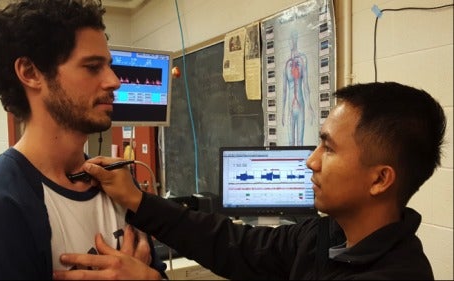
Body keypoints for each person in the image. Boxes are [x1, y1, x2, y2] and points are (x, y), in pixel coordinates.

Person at [53, 81, 446, 280]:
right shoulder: (326, 237)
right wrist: (138, 200)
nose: (311, 162)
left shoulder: (396, 275)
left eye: (328, 148)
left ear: (380, 180)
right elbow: (233, 244)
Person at [0, 0, 166, 279]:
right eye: (92, 67)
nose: (114, 81)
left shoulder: (119, 184)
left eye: (109, 66)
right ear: (30, 73)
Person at [281, 29, 315, 146]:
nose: (289, 42)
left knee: (300, 142)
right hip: (290, 107)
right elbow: (284, 91)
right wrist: (282, 112)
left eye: (291, 39)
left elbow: (306, 86)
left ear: (295, 39)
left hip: (300, 105)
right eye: (288, 40)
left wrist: (310, 106)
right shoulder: (286, 65)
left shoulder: (302, 60)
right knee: (291, 143)